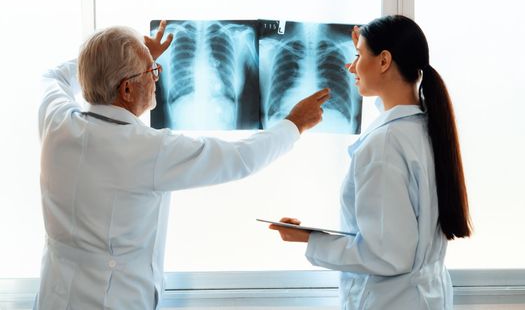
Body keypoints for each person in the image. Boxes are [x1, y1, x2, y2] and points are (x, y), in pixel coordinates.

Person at [35, 20, 330, 310]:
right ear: (126, 90)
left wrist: (105, 62)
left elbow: (52, 77)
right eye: (152, 70)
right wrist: (294, 123)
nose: (156, 77)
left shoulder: (57, 121)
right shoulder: (147, 150)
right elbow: (241, 158)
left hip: (53, 298)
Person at [269, 15, 472, 310]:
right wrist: (368, 57)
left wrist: (310, 240)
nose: (350, 66)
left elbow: (389, 254)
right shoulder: (423, 128)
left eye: (357, 56)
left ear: (385, 61)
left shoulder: (386, 143)